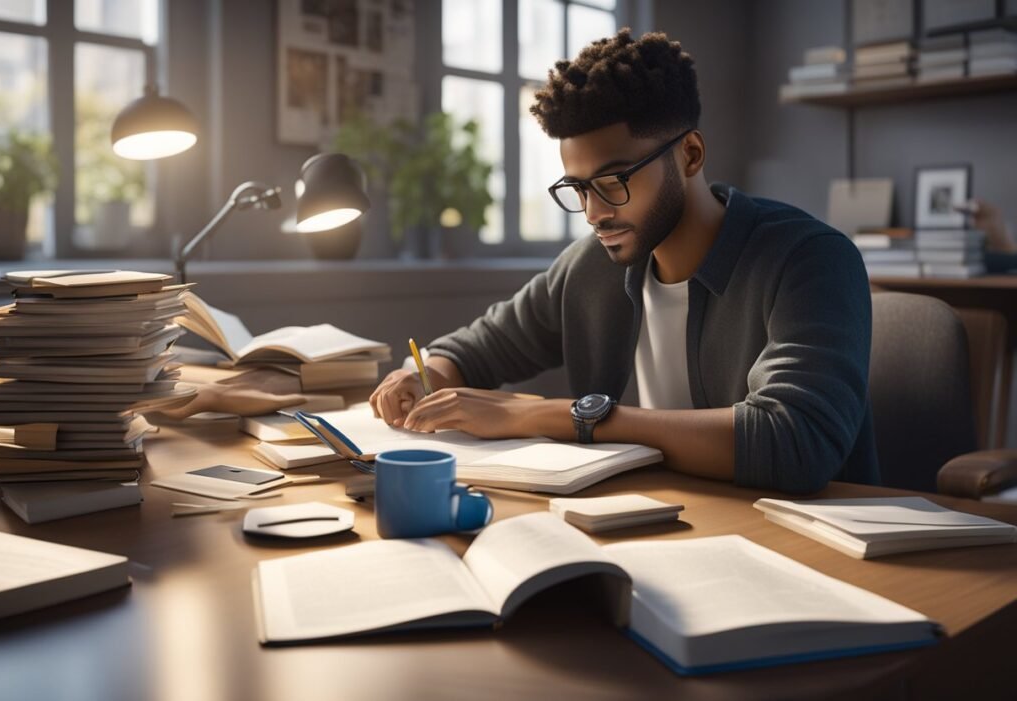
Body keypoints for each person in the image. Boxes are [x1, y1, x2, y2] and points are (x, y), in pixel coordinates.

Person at [369, 29, 877, 494]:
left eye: (614, 182)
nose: (594, 213)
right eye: (578, 188)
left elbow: (794, 442)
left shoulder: (810, 259)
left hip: (813, 544)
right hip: (672, 522)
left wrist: (559, 417)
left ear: (691, 155)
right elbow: (480, 348)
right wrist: (427, 375)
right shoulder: (592, 266)